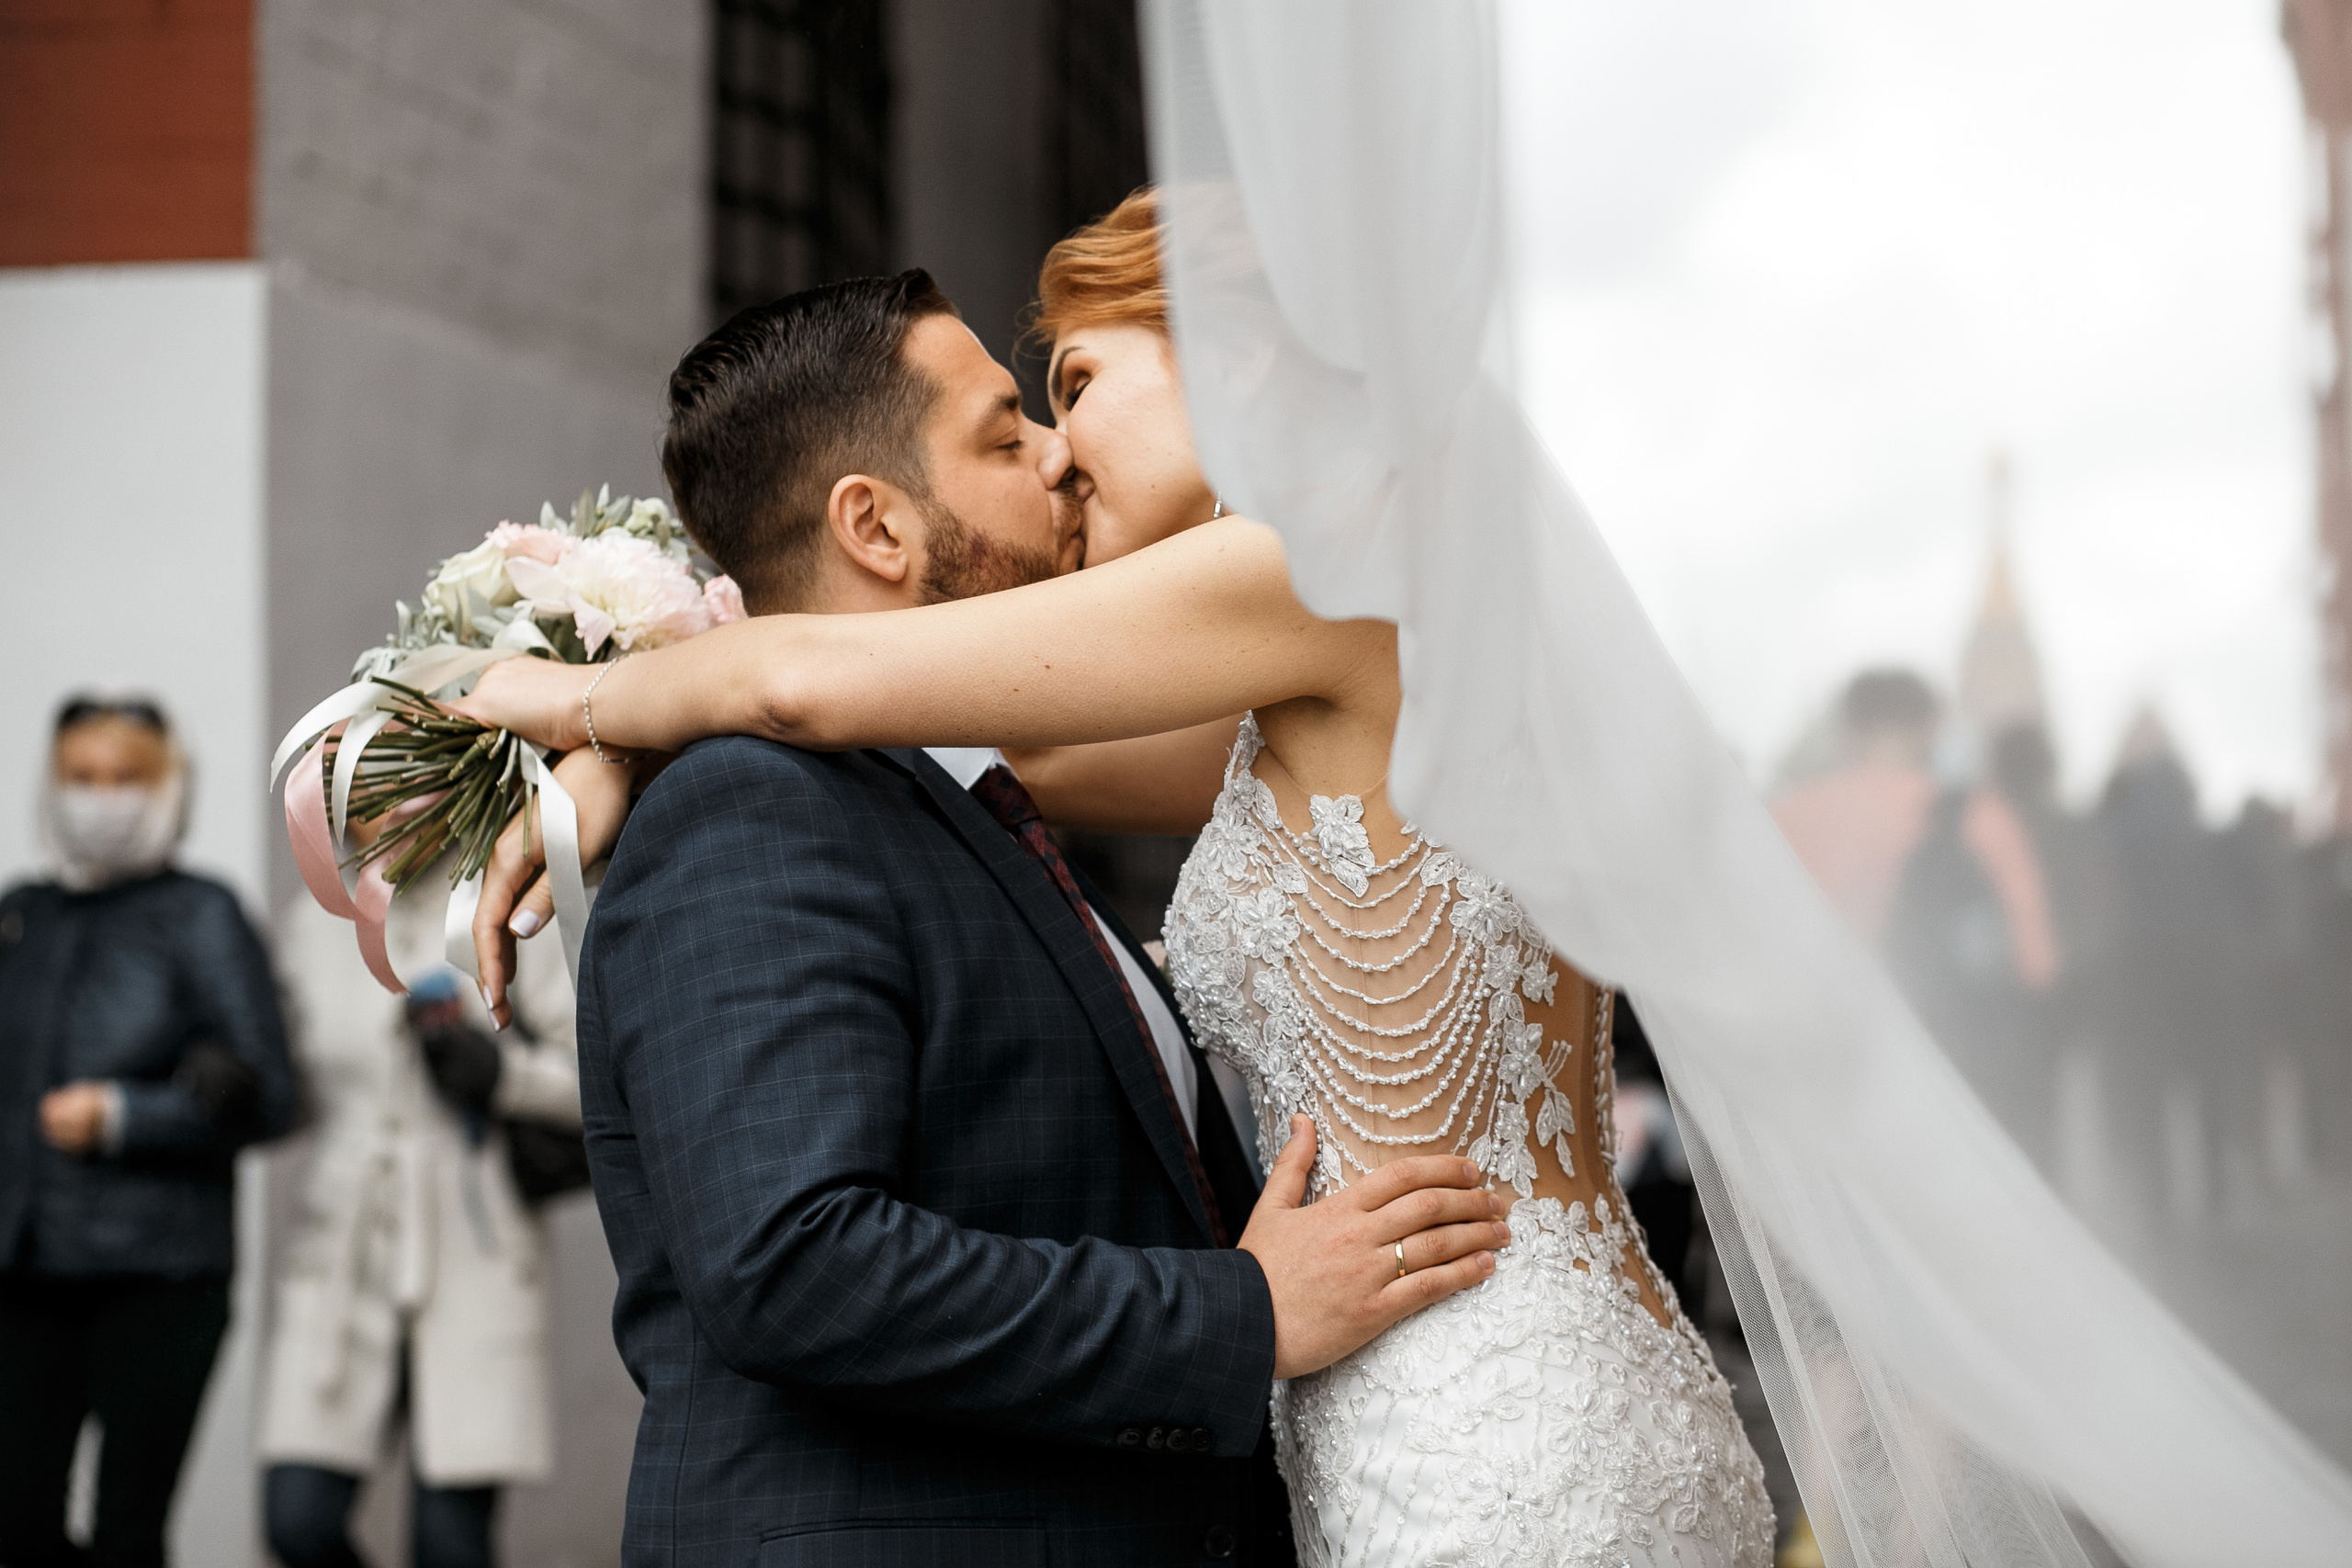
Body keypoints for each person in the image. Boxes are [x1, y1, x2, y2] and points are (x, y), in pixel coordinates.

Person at [460, 197, 1774, 1566]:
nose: (1062, 452)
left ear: (1243, 360)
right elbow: (988, 742)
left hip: (1478, 1425)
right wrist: (661, 748)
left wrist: (587, 703)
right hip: (1553, 1377)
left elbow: (808, 680)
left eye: (1076, 384)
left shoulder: (1319, 563)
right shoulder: (1362, 660)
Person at [0, 694, 298, 1568]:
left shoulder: (203, 912)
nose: (101, 797)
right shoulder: (24, 914)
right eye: (81, 777)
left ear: (169, 786)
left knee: (129, 1531)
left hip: (160, 1274)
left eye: (125, 778)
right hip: (25, 1267)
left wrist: (127, 1117)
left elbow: (270, 1094)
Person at [257, 872, 584, 1568]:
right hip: (344, 1245)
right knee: (297, 1517)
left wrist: (502, 1073)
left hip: (474, 1241)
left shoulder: (513, 896)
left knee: (450, 1543)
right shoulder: (313, 915)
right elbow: (290, 1085)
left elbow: (598, 1075)